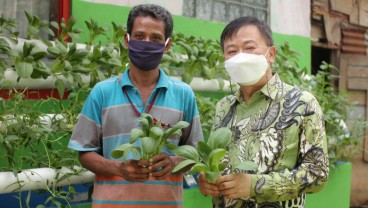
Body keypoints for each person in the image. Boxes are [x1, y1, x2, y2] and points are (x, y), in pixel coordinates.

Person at [68, 4, 203, 208]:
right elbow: (84, 153)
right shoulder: (102, 92)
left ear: (167, 45)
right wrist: (117, 167)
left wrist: (174, 162)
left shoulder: (183, 94)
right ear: (127, 40)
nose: (146, 43)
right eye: (139, 36)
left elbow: (195, 152)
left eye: (156, 38)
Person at [197, 16, 329, 208]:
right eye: (231, 51)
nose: (240, 56)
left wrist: (255, 186)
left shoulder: (302, 104)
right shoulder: (224, 106)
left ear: (271, 54)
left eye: (249, 48)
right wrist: (206, 180)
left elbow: (318, 173)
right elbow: (214, 162)